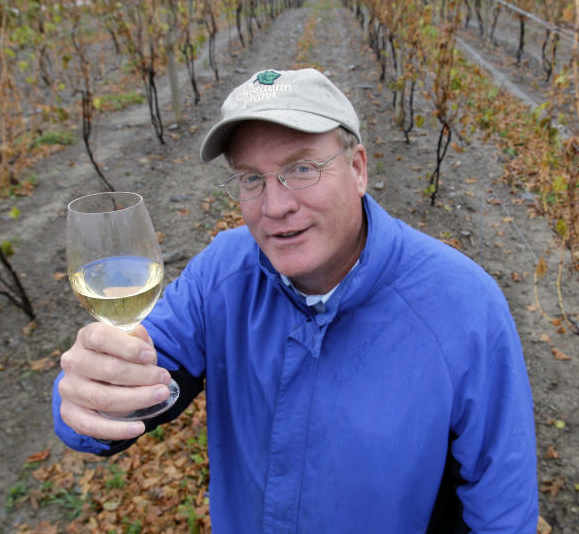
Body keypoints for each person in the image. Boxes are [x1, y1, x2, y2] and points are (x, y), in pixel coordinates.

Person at [53, 68, 539, 532]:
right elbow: (129, 370)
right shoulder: (223, 273)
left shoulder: (464, 307)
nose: (275, 206)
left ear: (358, 168)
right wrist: (87, 395)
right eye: (251, 178)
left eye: (301, 168)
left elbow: (502, 507)